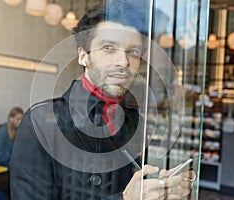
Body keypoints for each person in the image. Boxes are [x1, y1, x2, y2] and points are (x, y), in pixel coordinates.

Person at [10, 1, 195, 199]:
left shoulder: (135, 122)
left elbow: (130, 184)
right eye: (108, 47)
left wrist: (158, 186)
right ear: (83, 57)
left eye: (132, 52)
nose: (123, 62)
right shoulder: (40, 123)